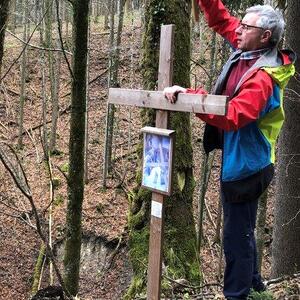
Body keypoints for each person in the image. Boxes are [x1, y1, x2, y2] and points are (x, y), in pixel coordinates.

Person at [163, 0, 296, 299]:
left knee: (236, 236)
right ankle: (255, 284)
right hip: (242, 159)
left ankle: (236, 294)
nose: (239, 29)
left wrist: (189, 95)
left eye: (246, 26)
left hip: (248, 166)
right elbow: (222, 21)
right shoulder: (249, 48)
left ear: (265, 36)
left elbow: (234, 114)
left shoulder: (263, 77)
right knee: (244, 227)